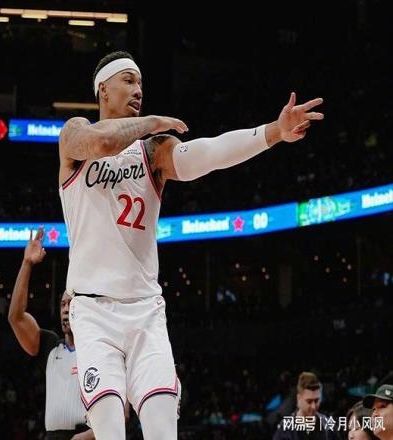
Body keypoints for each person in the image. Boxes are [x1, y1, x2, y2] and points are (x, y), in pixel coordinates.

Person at [58, 50, 324, 440]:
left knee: (163, 429)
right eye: (129, 81)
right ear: (103, 89)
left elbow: (209, 153)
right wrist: (152, 122)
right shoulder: (75, 134)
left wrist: (272, 132)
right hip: (93, 311)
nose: (138, 89)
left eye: (141, 83)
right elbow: (103, 143)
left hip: (145, 311)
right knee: (110, 429)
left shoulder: (153, 152)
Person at [8, 227, 95, 440]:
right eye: (62, 304)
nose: (65, 308)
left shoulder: (98, 347)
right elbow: (15, 317)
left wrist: (90, 436)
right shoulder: (50, 346)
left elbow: (120, 412)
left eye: (71, 304)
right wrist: (27, 263)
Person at [273, 372, 338, 439]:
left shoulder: (328, 426)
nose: (313, 406)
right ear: (299, 398)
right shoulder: (285, 429)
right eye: (309, 401)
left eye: (316, 400)